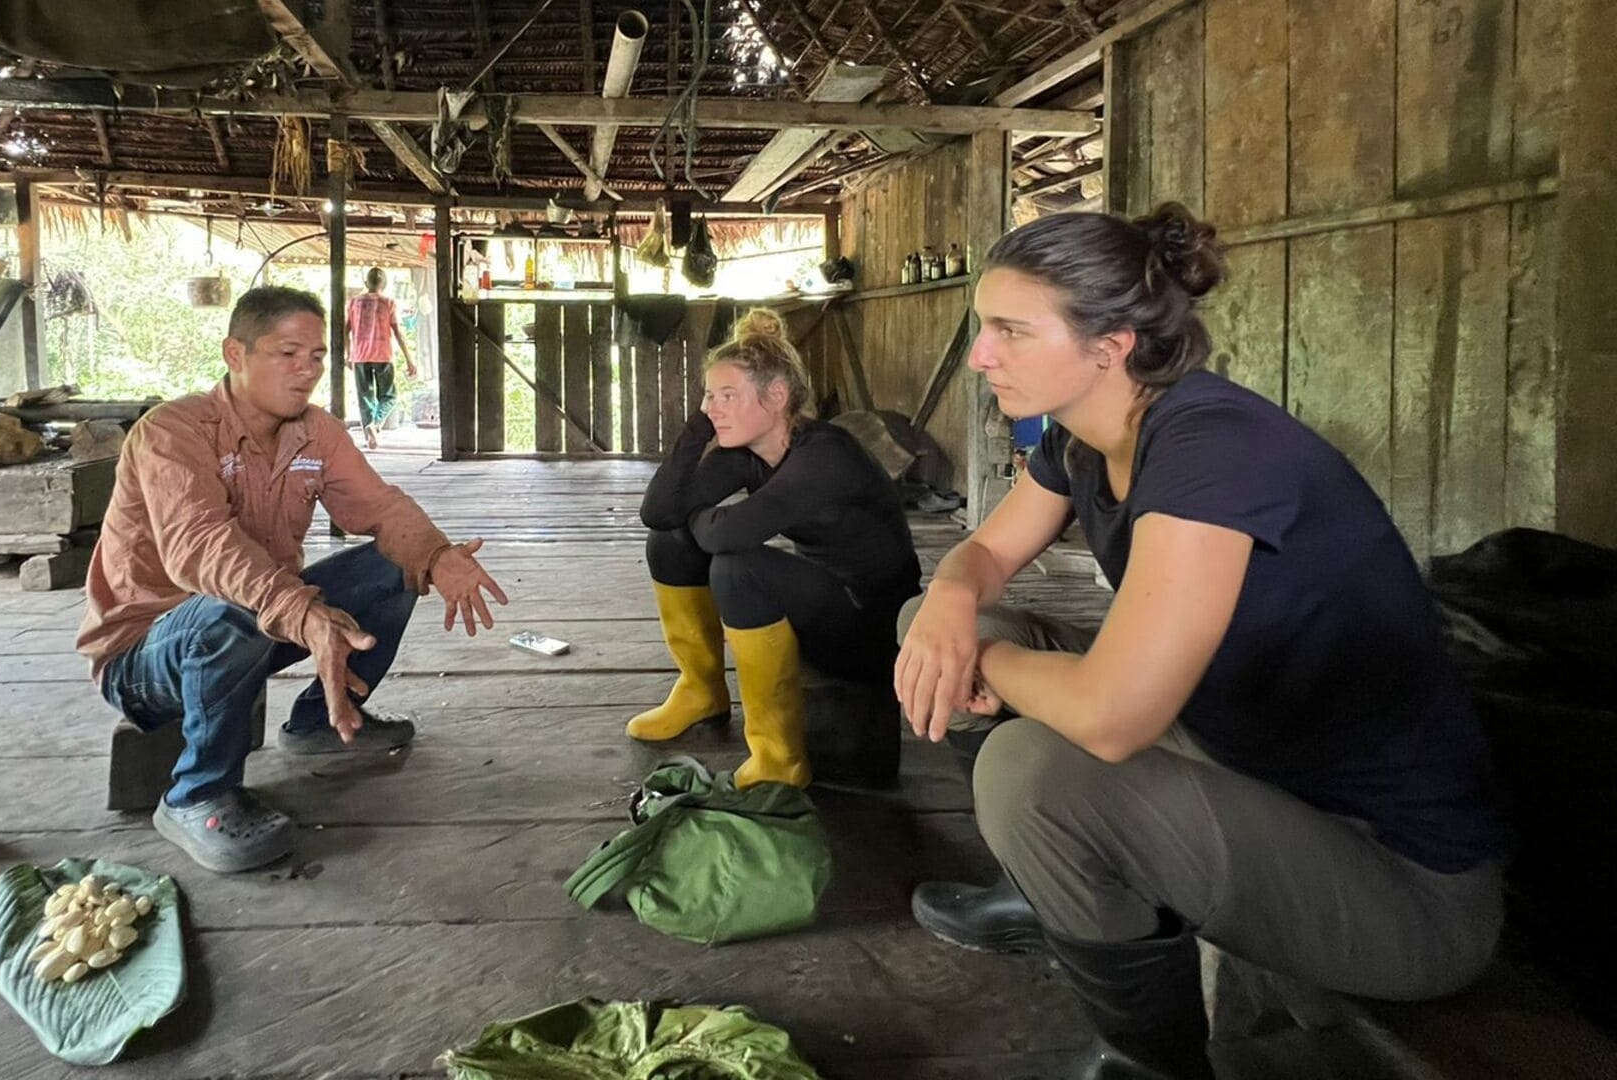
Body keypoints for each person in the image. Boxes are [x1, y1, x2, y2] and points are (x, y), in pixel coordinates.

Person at [896, 205, 1505, 1079]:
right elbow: (986, 553)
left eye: (1010, 331)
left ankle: (1150, 1063)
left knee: (1030, 770)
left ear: (1109, 347)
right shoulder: (1085, 437)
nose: (980, 355)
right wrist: (953, 594)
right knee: (932, 628)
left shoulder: (1212, 448)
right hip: (1244, 756)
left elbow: (1113, 719)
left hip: (1398, 884)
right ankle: (1045, 888)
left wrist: (984, 660)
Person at [78, 286, 507, 874]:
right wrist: (302, 611)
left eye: (317, 356)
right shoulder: (171, 432)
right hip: (146, 657)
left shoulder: (316, 431)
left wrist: (437, 554)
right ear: (235, 354)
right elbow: (199, 546)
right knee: (230, 606)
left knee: (395, 565)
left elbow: (380, 509)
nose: (307, 370)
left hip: (262, 620)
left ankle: (319, 724)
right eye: (287, 353)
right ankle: (196, 795)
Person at [632, 309, 922, 789]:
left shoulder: (826, 454)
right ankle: (701, 690)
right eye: (709, 396)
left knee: (738, 568)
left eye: (728, 396)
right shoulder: (748, 453)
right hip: (825, 603)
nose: (713, 408)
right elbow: (659, 513)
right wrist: (699, 430)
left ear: (777, 397)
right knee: (670, 542)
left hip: (873, 628)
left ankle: (779, 757)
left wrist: (702, 516)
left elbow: (726, 537)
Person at [345, 267, 416, 449]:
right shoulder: (388, 303)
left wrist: (348, 354)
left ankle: (370, 436)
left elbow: (345, 330)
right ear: (384, 284)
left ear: (366, 283)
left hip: (360, 355)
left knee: (365, 398)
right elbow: (398, 332)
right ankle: (375, 425)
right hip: (383, 355)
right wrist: (409, 360)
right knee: (389, 396)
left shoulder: (354, 302)